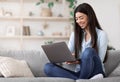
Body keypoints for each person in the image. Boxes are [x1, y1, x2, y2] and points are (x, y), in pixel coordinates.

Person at [44, 3, 108, 80]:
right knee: (48, 67)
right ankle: (81, 79)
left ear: (89, 17)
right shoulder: (75, 34)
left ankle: (81, 79)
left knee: (89, 51)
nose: (78, 21)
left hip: (96, 70)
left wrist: (79, 61)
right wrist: (68, 58)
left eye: (81, 18)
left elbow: (100, 59)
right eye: (76, 19)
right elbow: (67, 53)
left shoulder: (101, 34)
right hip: (80, 72)